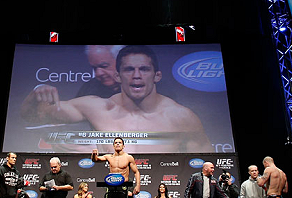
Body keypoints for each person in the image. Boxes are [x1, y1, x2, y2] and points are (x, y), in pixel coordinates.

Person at [20, 45, 212, 153]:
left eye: (144, 69)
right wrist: (35, 94)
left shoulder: (181, 117)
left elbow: (205, 164)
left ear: (157, 76)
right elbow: (33, 116)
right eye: (129, 69)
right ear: (119, 76)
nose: (136, 76)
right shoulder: (98, 108)